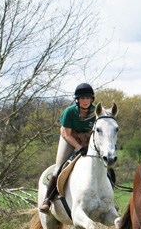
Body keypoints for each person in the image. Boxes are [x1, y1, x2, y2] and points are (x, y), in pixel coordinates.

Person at [39, 83, 97, 214]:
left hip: (87, 139)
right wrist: (79, 148)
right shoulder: (69, 112)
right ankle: (47, 200)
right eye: (82, 98)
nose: (85, 101)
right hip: (70, 139)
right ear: (77, 100)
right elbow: (67, 134)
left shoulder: (95, 112)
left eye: (88, 98)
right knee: (59, 167)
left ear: (91, 99)